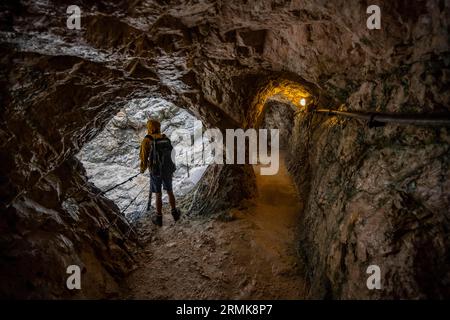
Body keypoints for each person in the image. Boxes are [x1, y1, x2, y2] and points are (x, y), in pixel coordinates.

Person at [139, 119, 180, 226]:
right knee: (170, 191)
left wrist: (142, 169)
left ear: (149, 127)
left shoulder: (147, 140)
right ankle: (175, 213)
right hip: (167, 170)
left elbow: (143, 157)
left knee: (158, 194)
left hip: (155, 171)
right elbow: (172, 154)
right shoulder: (165, 138)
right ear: (158, 127)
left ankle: (159, 218)